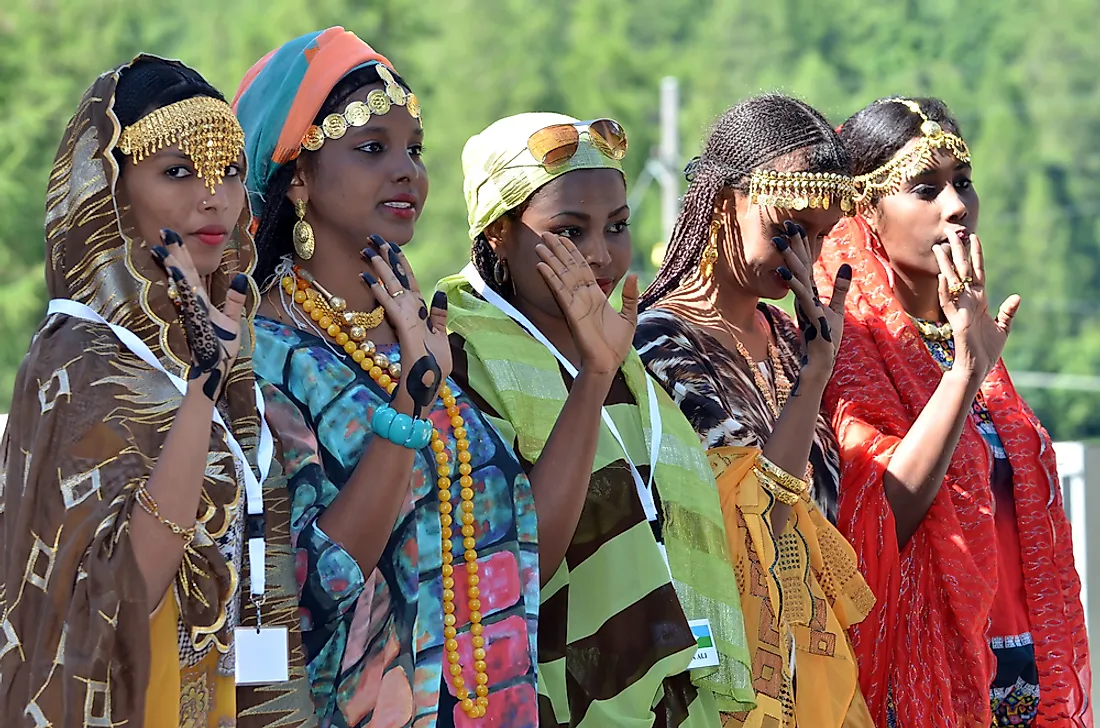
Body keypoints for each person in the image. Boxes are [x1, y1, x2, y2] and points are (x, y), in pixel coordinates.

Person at [233, 28, 540, 727]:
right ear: (299, 176)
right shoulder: (265, 357)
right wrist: (410, 400)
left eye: (413, 149)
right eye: (373, 148)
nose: (406, 170)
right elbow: (311, 589)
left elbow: (514, 546)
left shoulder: (419, 334)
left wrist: (594, 378)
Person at [0, 56, 299, 727]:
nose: (215, 197)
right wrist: (202, 392)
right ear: (109, 190)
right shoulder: (75, 363)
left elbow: (257, 570)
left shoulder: (227, 344)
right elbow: (125, 589)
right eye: (178, 171)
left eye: (227, 171)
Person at [437, 112, 755, 727]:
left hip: (673, 704)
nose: (599, 254)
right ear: (499, 231)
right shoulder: (458, 355)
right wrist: (591, 375)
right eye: (568, 230)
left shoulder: (633, 366)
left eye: (617, 226)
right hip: (550, 702)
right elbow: (523, 558)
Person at [815, 96, 1091, 726]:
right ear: (865, 211)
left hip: (1023, 676)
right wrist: (965, 372)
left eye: (962, 182)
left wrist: (971, 359)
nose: (957, 206)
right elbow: (877, 520)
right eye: (925, 188)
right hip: (925, 678)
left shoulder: (969, 340)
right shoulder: (847, 349)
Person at [635, 94, 875, 728]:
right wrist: (817, 376)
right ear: (724, 204)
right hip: (713, 678)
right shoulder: (654, 343)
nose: (807, 259)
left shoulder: (794, 342)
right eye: (789, 230)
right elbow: (753, 518)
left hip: (809, 676)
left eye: (821, 238)